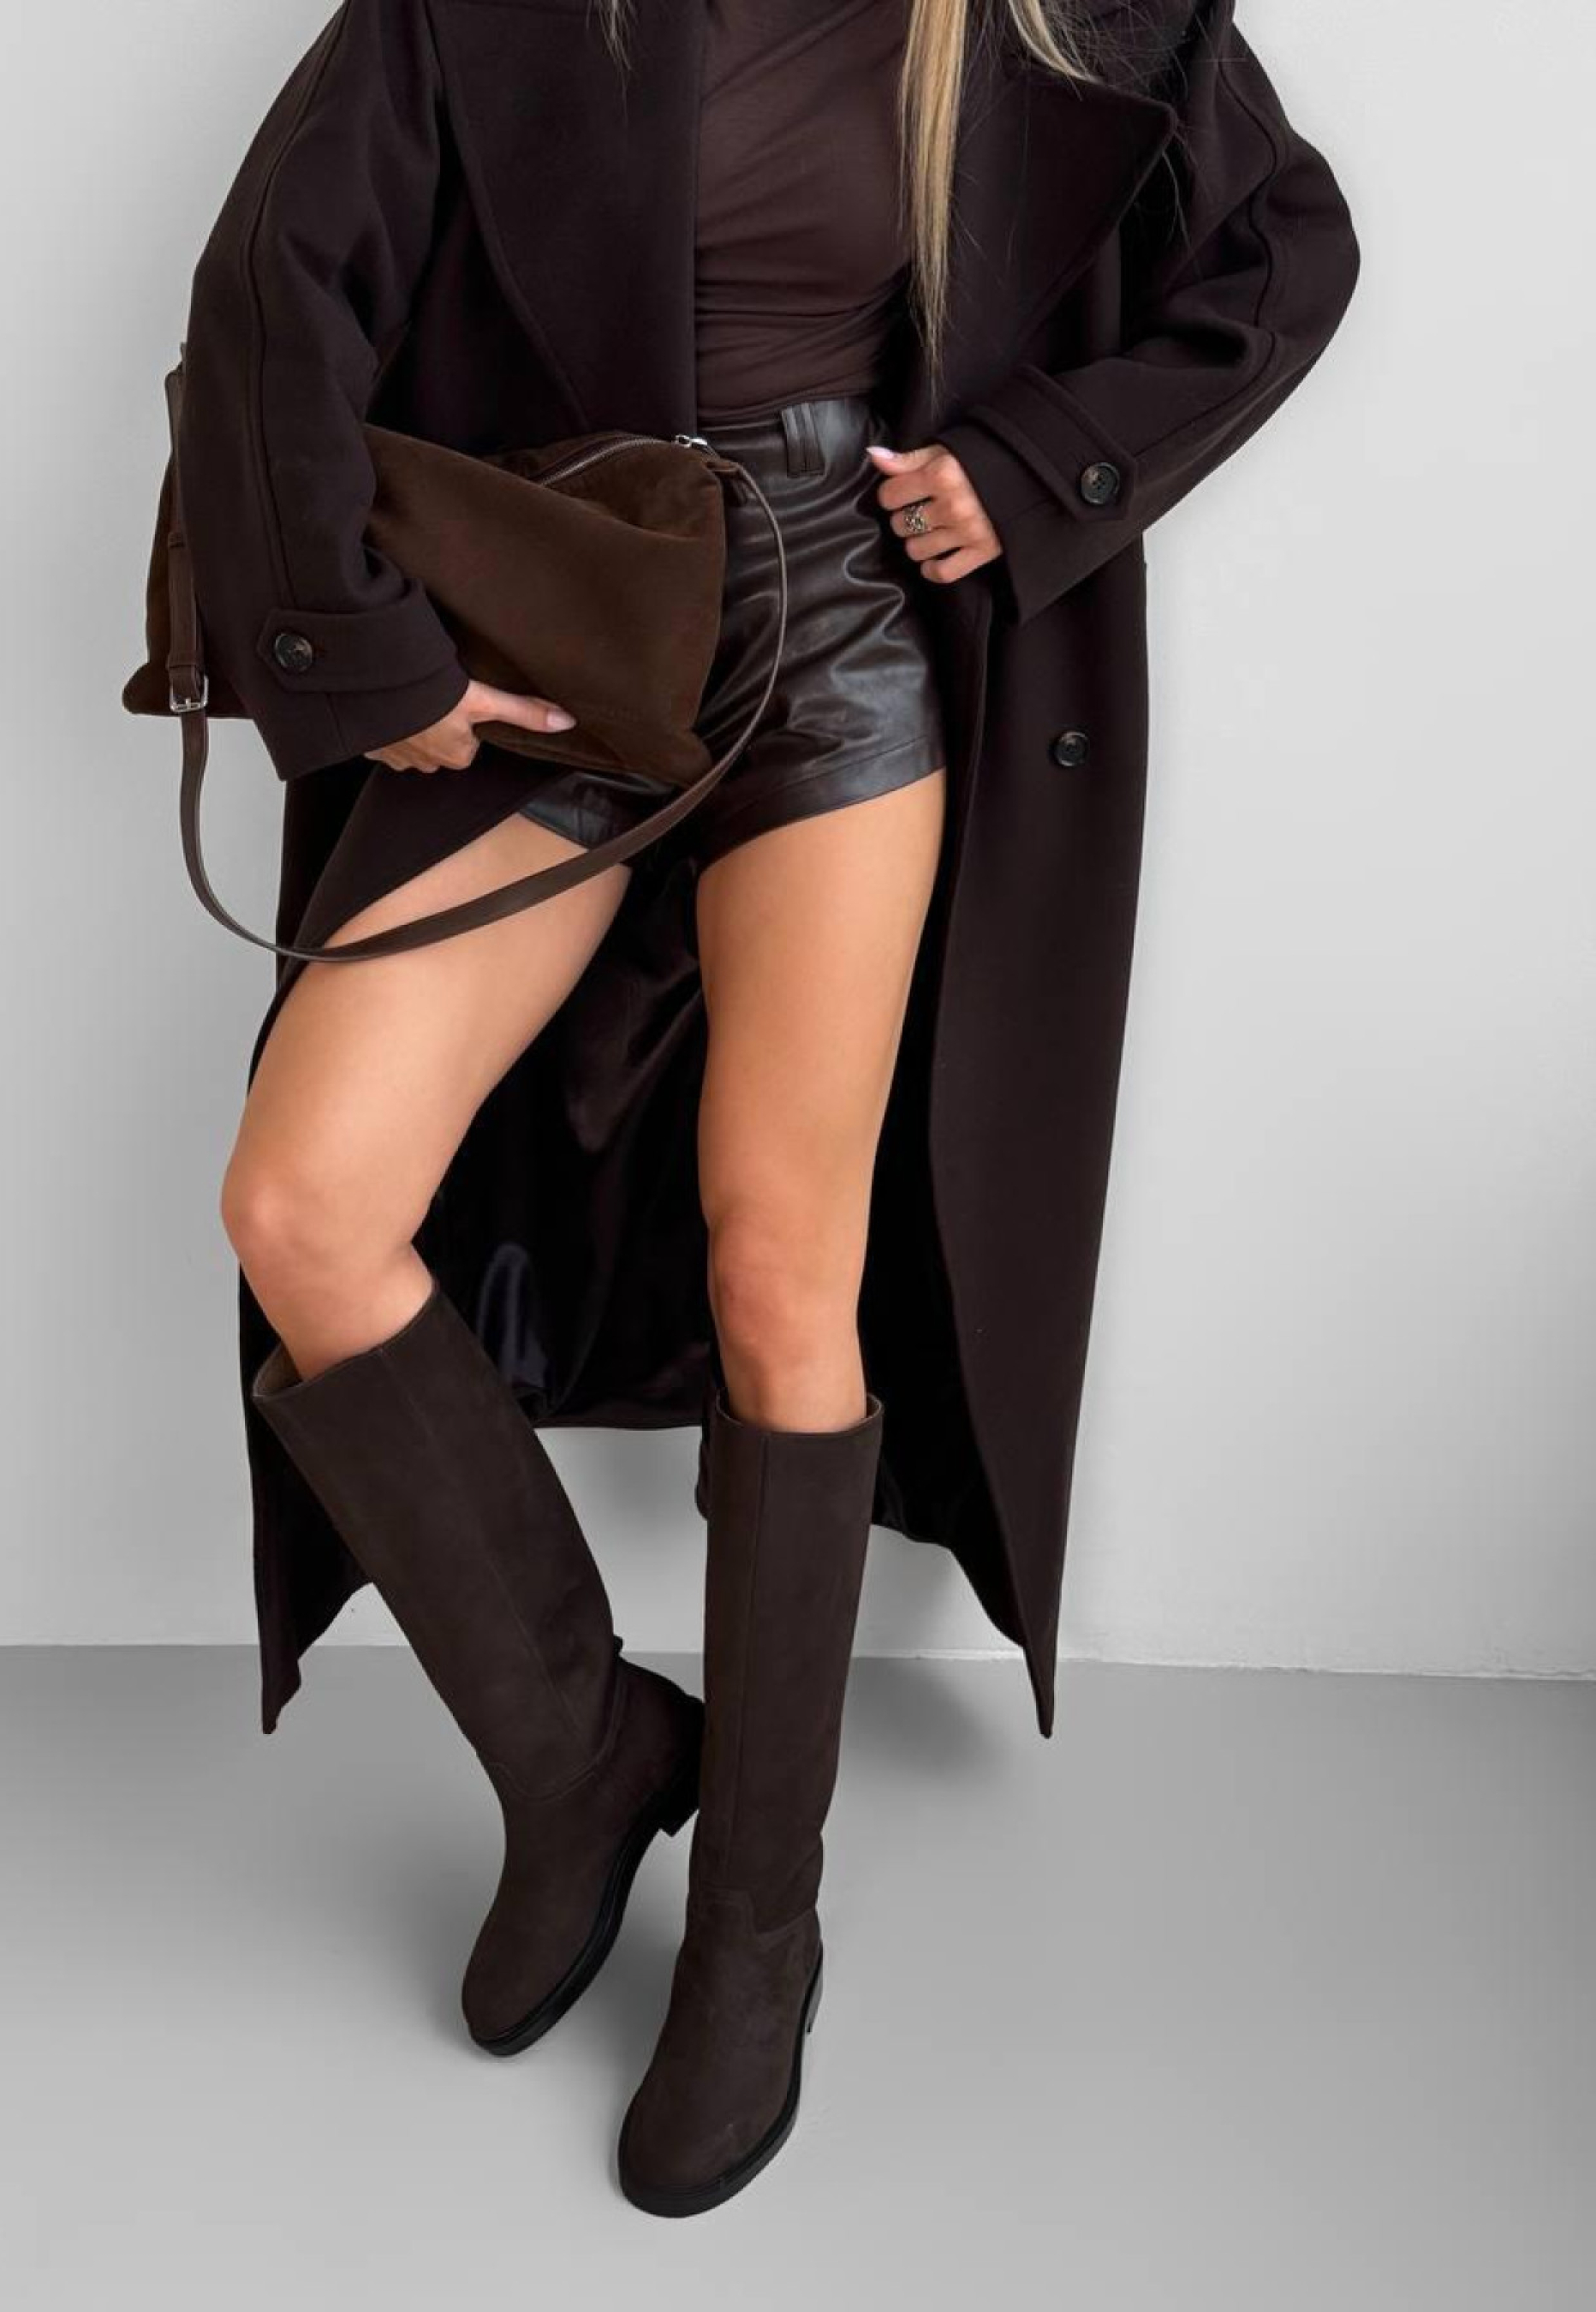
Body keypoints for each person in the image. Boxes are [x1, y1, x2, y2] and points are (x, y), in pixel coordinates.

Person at [159, 0, 1358, 2217]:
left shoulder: (1054, 11)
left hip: (846, 629)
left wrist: (1037, 464)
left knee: (785, 1267)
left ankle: (757, 1929)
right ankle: (588, 1748)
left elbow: (1283, 247)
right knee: (306, 1203)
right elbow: (272, 282)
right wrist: (364, 641)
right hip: (580, 602)